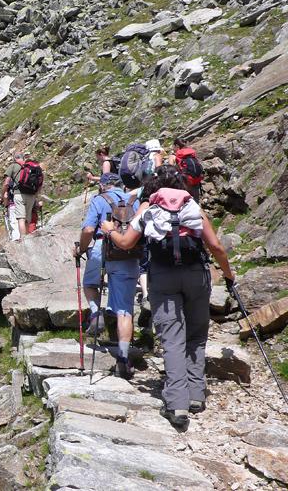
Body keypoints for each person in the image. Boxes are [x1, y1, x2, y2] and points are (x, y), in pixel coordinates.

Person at [100, 165, 234, 430]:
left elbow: (126, 243)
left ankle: (177, 403)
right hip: (197, 275)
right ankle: (196, 395)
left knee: (172, 338)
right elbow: (216, 246)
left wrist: (109, 230)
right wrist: (229, 276)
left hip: (163, 276)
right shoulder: (192, 206)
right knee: (196, 335)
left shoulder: (149, 209)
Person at [74, 173, 141, 379]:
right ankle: (122, 358)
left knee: (89, 284)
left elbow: (88, 229)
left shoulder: (99, 200)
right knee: (124, 310)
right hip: (128, 253)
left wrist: (81, 249)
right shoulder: (135, 201)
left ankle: (96, 313)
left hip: (102, 249)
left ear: (102, 186)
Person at [2, 151, 43, 238]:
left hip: (19, 194)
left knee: (21, 218)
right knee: (27, 219)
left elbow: (6, 183)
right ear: (23, 157)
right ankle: (28, 239)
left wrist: (4, 193)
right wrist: (35, 196)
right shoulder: (32, 167)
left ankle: (23, 240)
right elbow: (40, 184)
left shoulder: (13, 166)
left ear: (14, 158)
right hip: (31, 195)